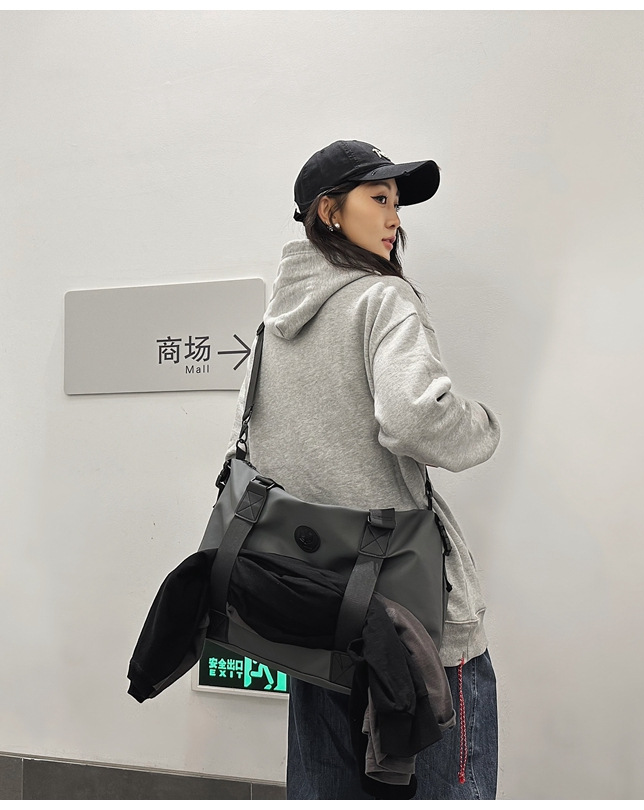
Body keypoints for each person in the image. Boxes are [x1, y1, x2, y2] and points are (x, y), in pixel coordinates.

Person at [225, 140, 501, 800]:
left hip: (315, 603)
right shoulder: (383, 299)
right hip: (413, 609)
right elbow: (414, 417)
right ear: (328, 211)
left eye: (396, 203)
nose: (394, 219)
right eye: (378, 198)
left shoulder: (272, 325)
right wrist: (484, 427)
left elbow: (259, 444)